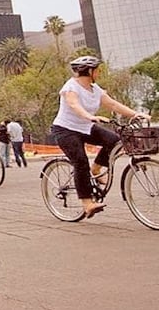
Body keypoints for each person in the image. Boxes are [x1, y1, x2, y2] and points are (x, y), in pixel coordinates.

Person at [51, 56, 147, 218]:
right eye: (97, 69)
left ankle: (96, 168)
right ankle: (87, 203)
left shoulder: (95, 89)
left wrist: (136, 113)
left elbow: (113, 104)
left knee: (115, 140)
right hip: (66, 130)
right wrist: (89, 116)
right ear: (89, 71)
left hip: (85, 127)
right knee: (80, 162)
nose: (99, 72)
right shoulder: (71, 87)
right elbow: (74, 105)